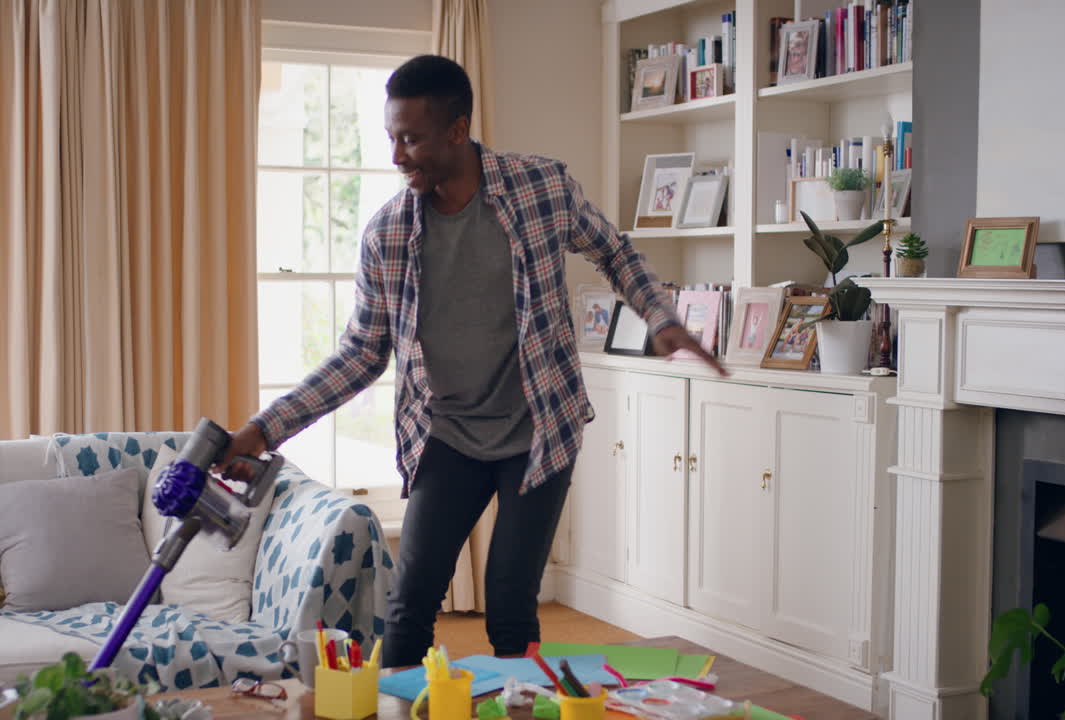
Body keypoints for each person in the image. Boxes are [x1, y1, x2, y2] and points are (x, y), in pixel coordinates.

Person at [215, 54, 724, 668]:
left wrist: (661, 318)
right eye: (391, 138)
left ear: (458, 130)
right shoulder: (389, 234)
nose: (397, 156)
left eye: (411, 139)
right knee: (409, 603)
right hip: (447, 435)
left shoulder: (540, 189)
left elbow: (614, 252)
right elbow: (360, 354)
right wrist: (265, 428)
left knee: (510, 598)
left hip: (538, 429)